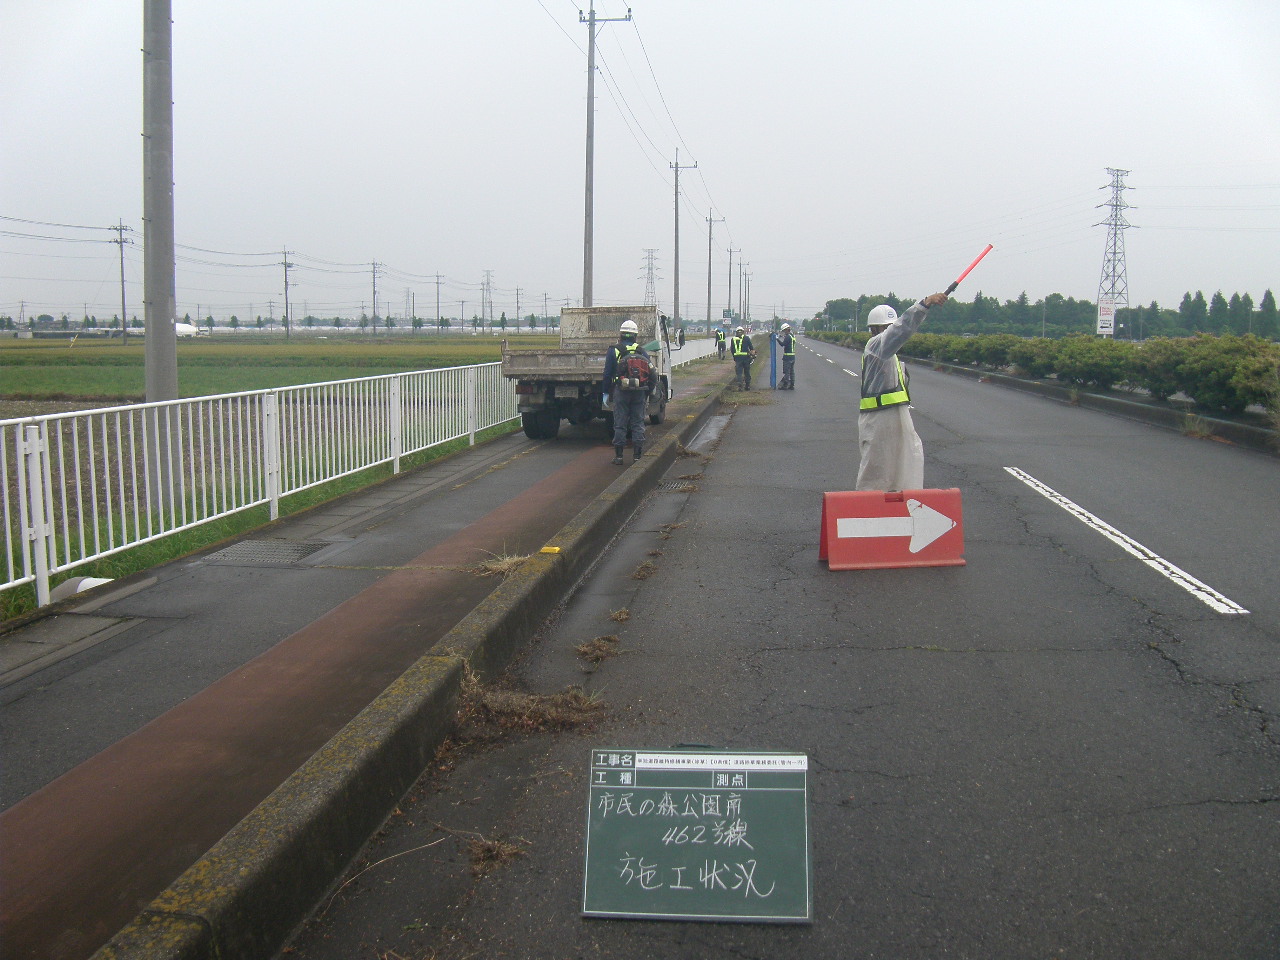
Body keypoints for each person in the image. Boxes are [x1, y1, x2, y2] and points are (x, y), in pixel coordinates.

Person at [856, 293, 948, 491]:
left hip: (896, 416)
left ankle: (902, 515)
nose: (890, 332)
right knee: (876, 476)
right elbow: (902, 329)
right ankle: (868, 516)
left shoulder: (891, 355)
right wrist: (924, 304)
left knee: (906, 472)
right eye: (886, 328)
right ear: (874, 329)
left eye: (891, 327)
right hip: (878, 419)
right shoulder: (875, 346)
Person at [602, 318, 654, 465]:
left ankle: (619, 457)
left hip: (621, 391)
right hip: (639, 391)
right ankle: (637, 456)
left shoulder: (613, 350)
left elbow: (607, 374)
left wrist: (605, 392)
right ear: (635, 335)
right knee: (638, 422)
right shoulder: (641, 351)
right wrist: (648, 391)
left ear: (621, 334)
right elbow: (652, 373)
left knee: (620, 423)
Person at [731, 325, 755, 390]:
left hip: (738, 359)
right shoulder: (746, 338)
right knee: (747, 372)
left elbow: (732, 350)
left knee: (739, 373)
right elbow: (751, 348)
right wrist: (753, 355)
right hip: (746, 358)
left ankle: (740, 385)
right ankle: (747, 386)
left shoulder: (733, 339)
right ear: (743, 332)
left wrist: (734, 357)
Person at [777, 322, 797, 389]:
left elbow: (782, 344)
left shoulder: (788, 337)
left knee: (787, 372)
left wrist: (777, 339)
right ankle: (792, 385)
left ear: (786, 330)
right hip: (792, 356)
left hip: (787, 357)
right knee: (791, 371)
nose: (783, 332)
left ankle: (785, 385)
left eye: (783, 331)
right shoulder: (792, 335)